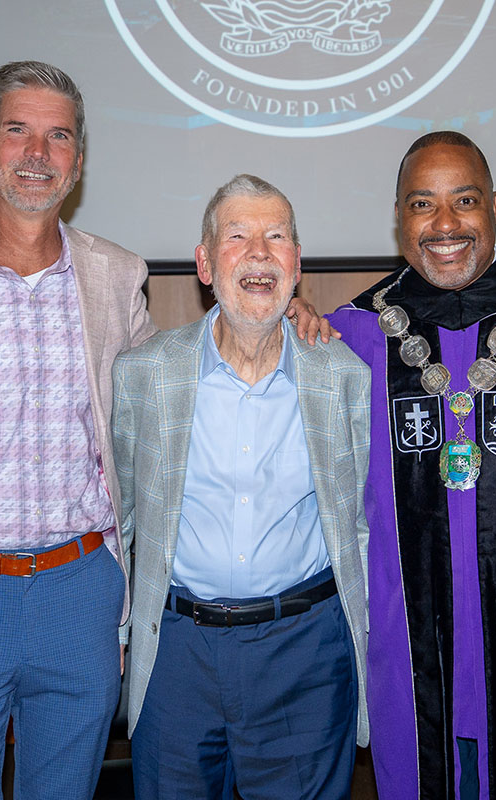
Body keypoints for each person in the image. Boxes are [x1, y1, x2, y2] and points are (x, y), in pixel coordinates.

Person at [0, 62, 330, 800]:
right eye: (17, 131)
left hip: (79, 594)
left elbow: (175, 379)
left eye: (58, 136)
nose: (37, 152)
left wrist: (282, 314)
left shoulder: (116, 275)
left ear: (78, 161)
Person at [327, 131, 496, 799]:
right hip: (412, 635)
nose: (445, 224)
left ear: (495, 206)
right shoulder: (353, 334)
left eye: (465, 201)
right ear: (399, 216)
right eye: (423, 204)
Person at [113, 174, 370, 799]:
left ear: (296, 264)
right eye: (237, 237)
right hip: (176, 653)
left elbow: (362, 523)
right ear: (205, 265)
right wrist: (119, 633)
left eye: (275, 237)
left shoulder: (344, 375)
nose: (259, 253)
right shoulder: (144, 374)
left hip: (304, 655)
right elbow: (119, 520)